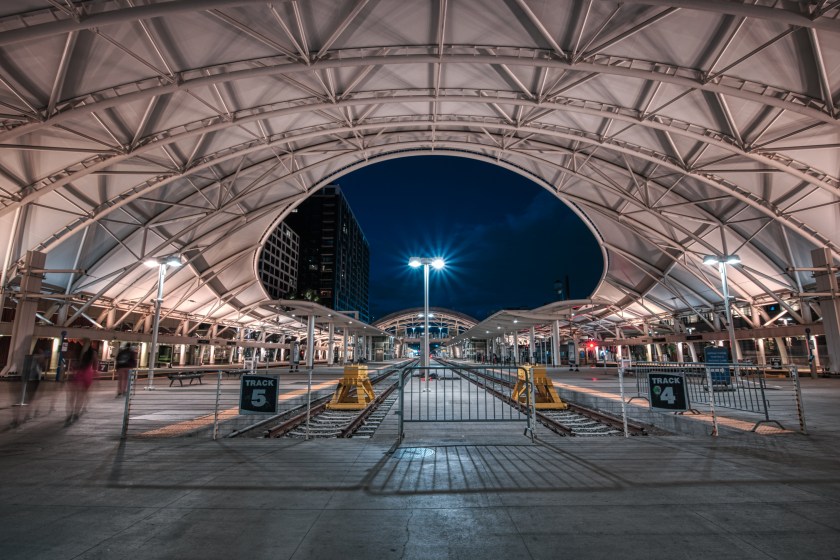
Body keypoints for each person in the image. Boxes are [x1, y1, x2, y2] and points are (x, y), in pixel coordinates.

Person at [66, 338, 97, 426]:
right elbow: (95, 365)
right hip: (87, 373)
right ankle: (77, 412)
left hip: (78, 373)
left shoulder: (77, 350)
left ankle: (70, 412)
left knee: (72, 396)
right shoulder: (92, 352)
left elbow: (72, 363)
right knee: (82, 395)